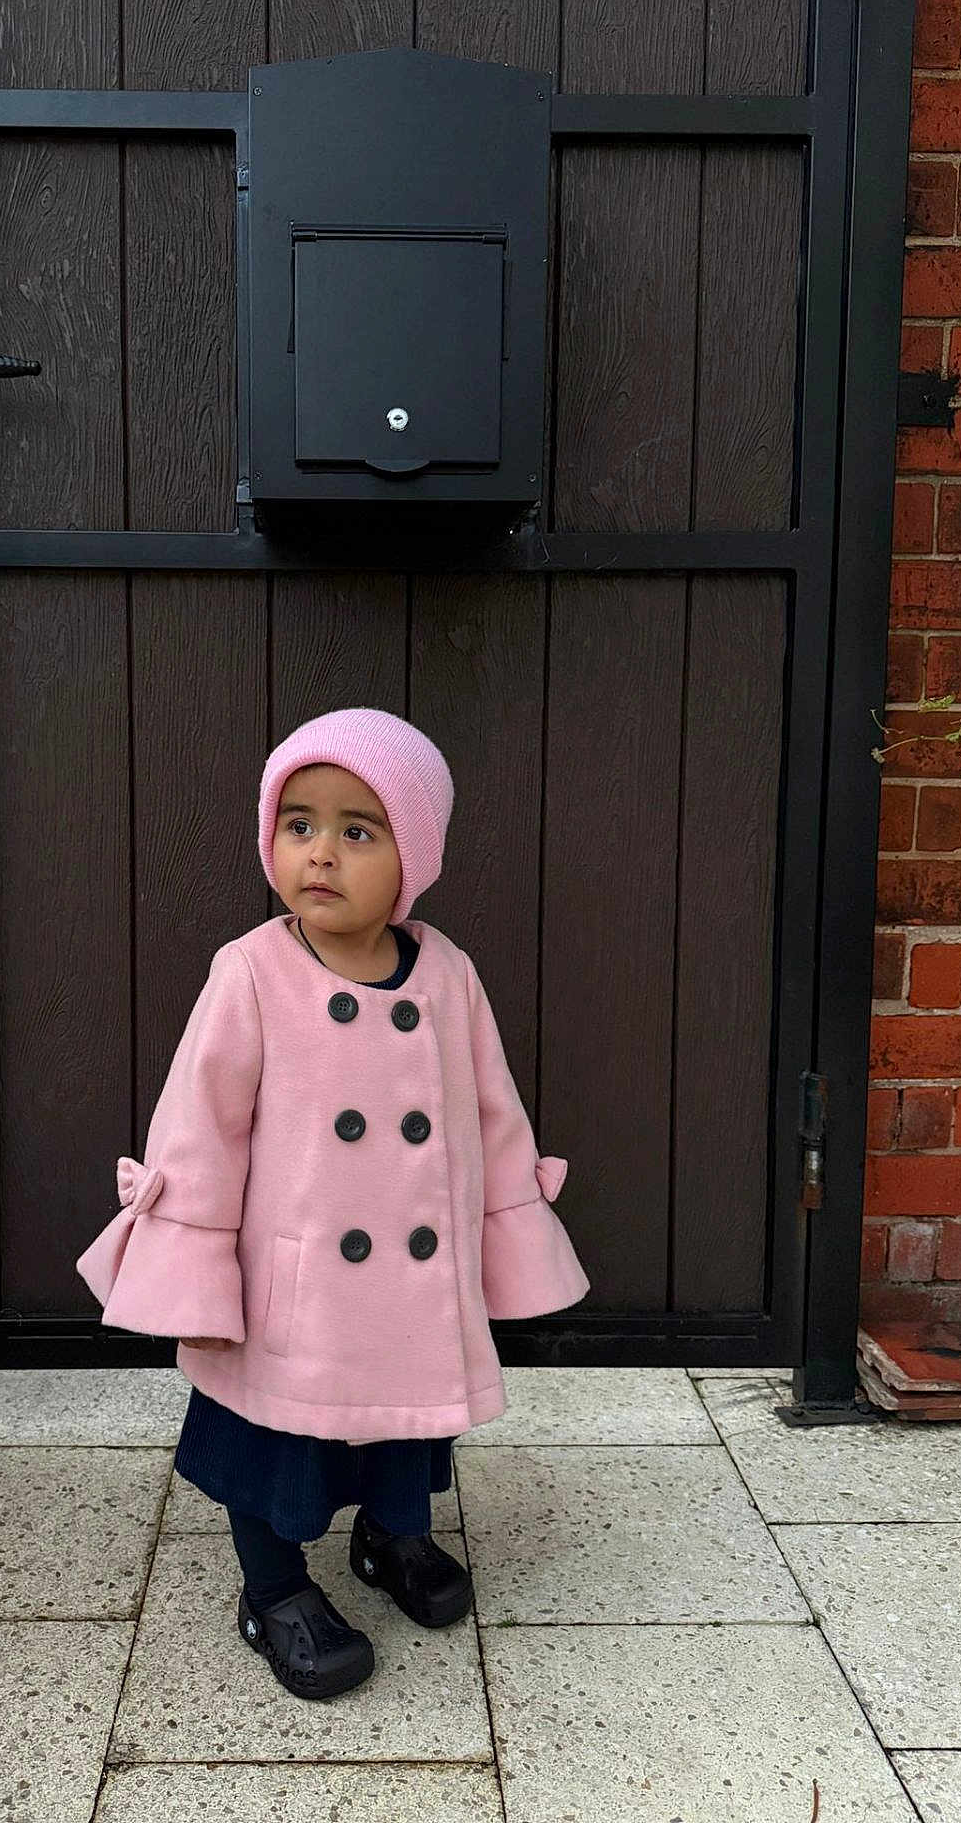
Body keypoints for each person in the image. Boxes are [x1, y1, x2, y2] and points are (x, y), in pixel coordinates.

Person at [76, 705, 589, 1700]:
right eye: (299, 823)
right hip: (294, 1286)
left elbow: (492, 1115)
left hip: (409, 1280)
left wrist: (508, 1240)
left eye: (359, 830)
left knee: (404, 1423)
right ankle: (273, 1591)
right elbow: (200, 1126)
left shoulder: (449, 975)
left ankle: (392, 1539)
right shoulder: (251, 972)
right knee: (275, 1441)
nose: (321, 853)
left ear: (414, 857)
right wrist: (195, 1269)